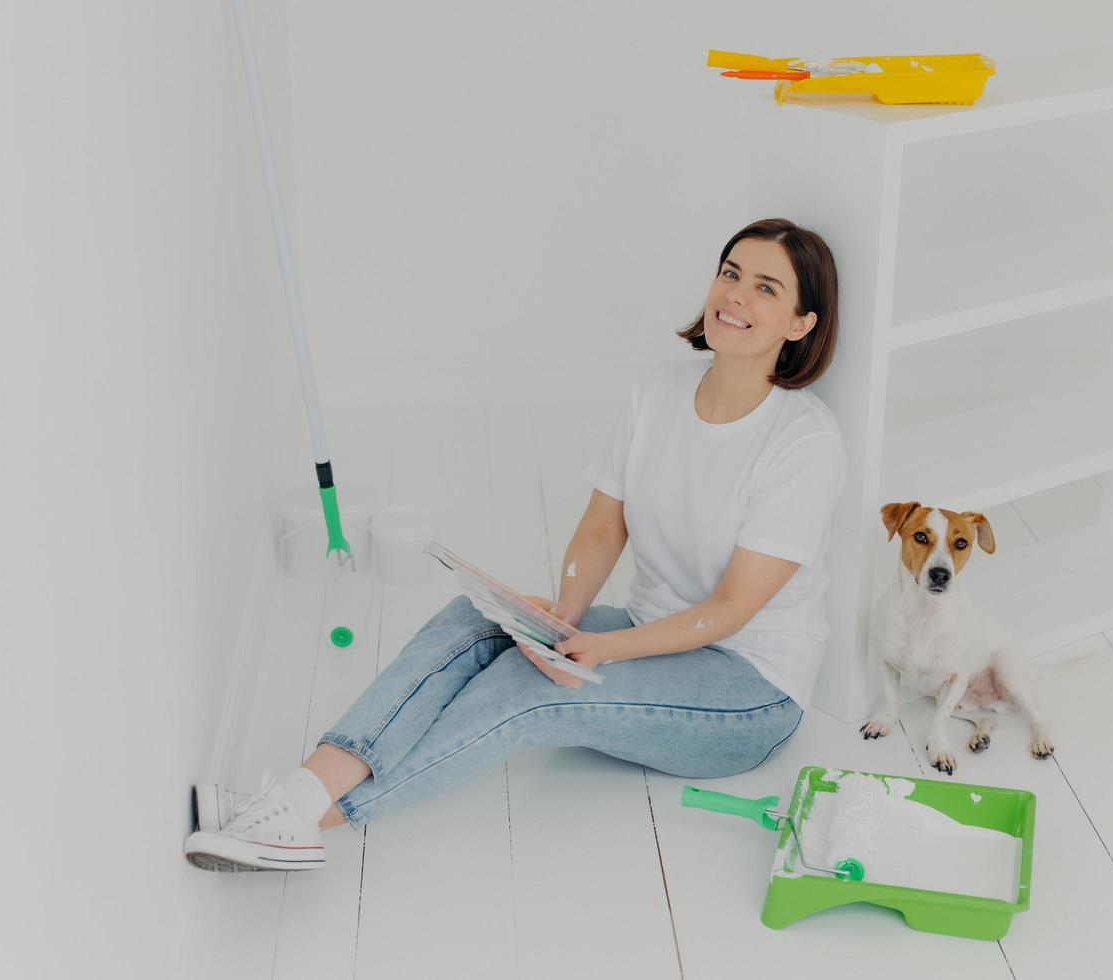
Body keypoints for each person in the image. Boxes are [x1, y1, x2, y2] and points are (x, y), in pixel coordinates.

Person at [184, 217, 846, 872]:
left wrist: (605, 647)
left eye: (766, 288)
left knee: (533, 691)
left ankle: (306, 820)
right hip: (656, 632)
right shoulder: (659, 391)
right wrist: (565, 611)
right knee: (478, 621)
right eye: (730, 273)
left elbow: (730, 609)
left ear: (800, 324)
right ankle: (295, 795)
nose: (735, 295)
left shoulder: (803, 441)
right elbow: (601, 526)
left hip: (749, 688)